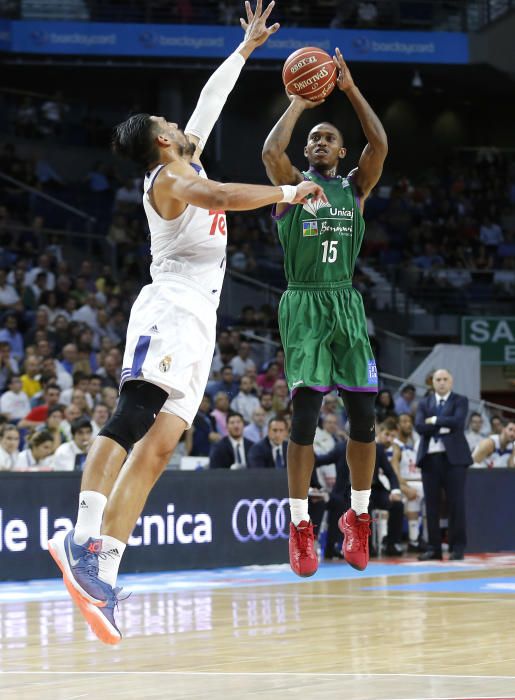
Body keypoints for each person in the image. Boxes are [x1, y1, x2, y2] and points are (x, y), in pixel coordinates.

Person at [46, 1, 323, 646]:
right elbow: (225, 197)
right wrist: (289, 192)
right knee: (132, 418)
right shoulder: (170, 178)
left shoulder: (180, 155)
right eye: (172, 123)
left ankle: (104, 571)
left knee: (162, 446)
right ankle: (82, 535)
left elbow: (210, 100)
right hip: (170, 307)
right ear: (164, 142)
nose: (182, 123)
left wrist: (246, 49)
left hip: (200, 318)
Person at [262, 47, 387, 577]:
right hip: (304, 302)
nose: (318, 141)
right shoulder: (293, 188)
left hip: (345, 301)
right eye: (314, 137)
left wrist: (351, 90)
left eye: (327, 138)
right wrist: (298, 100)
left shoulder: (354, 187)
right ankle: (299, 525)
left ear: (341, 153)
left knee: (364, 418)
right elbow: (272, 150)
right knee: (306, 418)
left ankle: (357, 518)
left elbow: (379, 144)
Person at [415, 369, 472, 561]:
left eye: (445, 379)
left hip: (454, 459)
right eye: (438, 379)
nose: (441, 383)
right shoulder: (424, 403)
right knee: (431, 505)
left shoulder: (460, 400)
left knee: (456, 503)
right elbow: (419, 426)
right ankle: (434, 548)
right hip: (430, 458)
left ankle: (457, 547)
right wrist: (442, 425)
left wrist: (435, 420)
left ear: (451, 381)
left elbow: (458, 422)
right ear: (433, 383)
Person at [389, 413, 423, 551]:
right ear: (398, 426)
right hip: (402, 484)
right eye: (404, 421)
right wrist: (404, 487)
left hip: (416, 482)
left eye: (409, 421)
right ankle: (397, 541)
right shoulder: (395, 446)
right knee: (412, 497)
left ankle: (416, 540)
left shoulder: (416, 444)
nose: (407, 424)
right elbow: (393, 471)